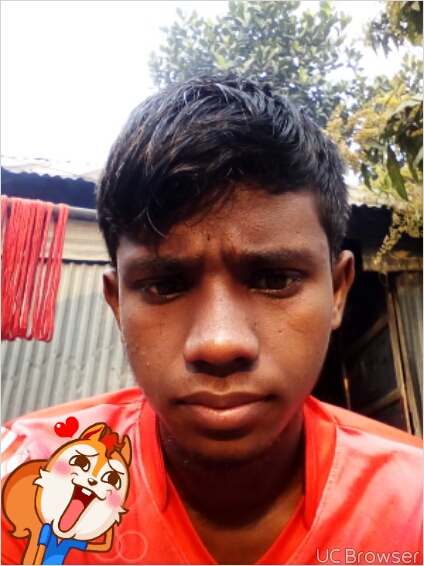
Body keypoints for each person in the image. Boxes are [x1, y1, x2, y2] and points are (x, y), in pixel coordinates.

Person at [1, 75, 422, 565]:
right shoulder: (24, 483)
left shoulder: (412, 505)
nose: (219, 343)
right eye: (164, 286)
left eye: (275, 280)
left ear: (337, 291)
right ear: (117, 305)